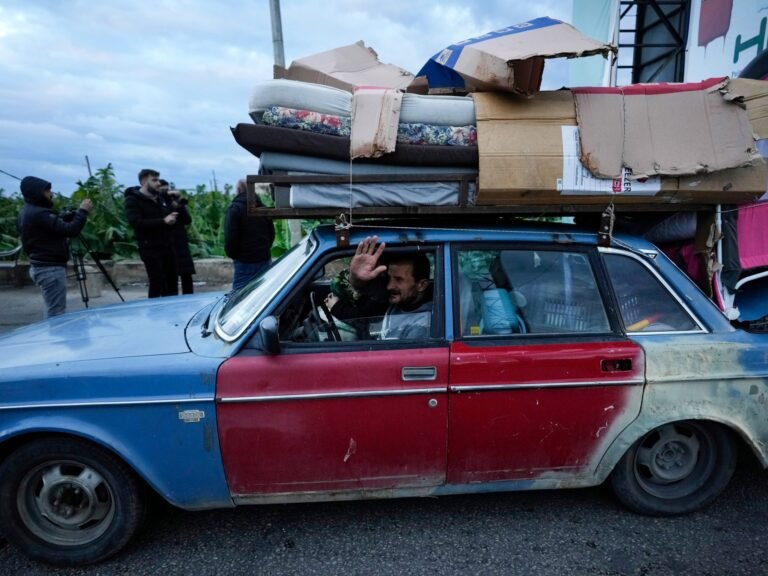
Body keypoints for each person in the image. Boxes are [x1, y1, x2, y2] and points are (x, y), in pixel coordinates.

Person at [325, 236, 432, 340]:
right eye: (389, 277)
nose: (389, 286)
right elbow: (364, 315)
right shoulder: (397, 300)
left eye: (399, 279)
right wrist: (355, 277)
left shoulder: (422, 326)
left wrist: (337, 308)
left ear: (421, 285)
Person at [17, 176, 93, 318]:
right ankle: (55, 339)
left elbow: (47, 229)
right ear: (38, 193)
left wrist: (63, 218)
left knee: (52, 308)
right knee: (56, 313)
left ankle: (52, 336)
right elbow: (71, 231)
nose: (51, 194)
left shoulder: (26, 212)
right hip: (49, 269)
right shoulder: (39, 213)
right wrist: (82, 212)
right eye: (47, 191)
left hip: (39, 266)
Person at [124, 169, 178, 298]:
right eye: (154, 180)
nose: (158, 183)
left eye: (158, 180)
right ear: (143, 181)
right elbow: (136, 222)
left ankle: (173, 311)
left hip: (167, 246)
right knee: (157, 282)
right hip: (150, 248)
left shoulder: (159, 198)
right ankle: (154, 314)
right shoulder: (133, 200)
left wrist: (174, 211)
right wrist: (163, 221)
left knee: (172, 282)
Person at [224, 179, 275, 291]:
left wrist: (235, 255)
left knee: (239, 298)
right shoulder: (262, 207)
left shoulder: (235, 209)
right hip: (264, 259)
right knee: (263, 294)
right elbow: (271, 233)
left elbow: (230, 238)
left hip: (245, 261)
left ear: (238, 190)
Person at [159, 179, 195, 294]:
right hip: (166, 244)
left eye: (167, 189)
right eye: (163, 190)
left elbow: (187, 220)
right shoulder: (157, 203)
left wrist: (179, 205)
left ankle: (189, 298)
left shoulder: (174, 202)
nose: (167, 192)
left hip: (180, 242)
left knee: (186, 276)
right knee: (169, 278)